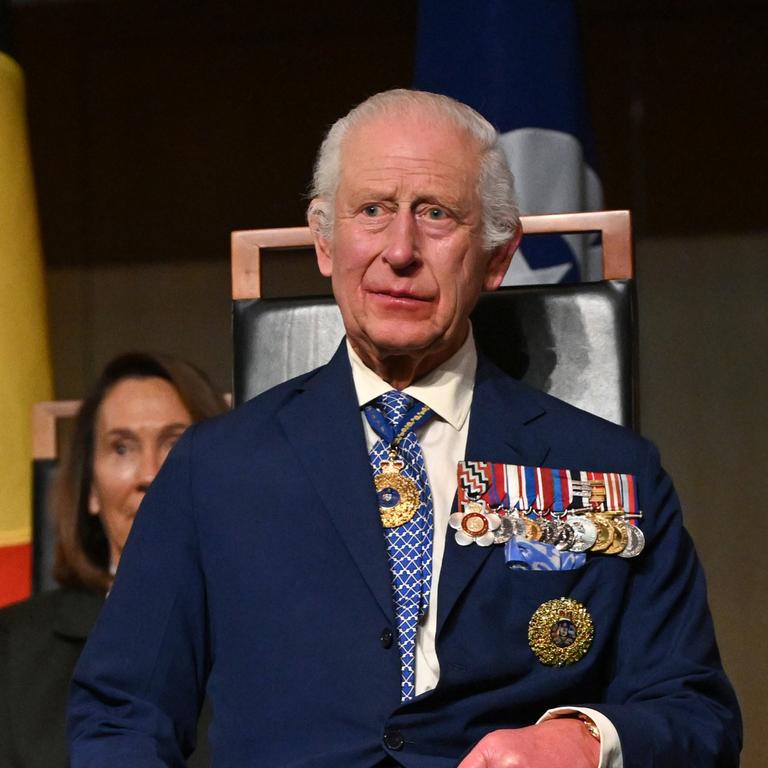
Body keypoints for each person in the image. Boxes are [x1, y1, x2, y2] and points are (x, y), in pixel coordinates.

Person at [67, 90, 741, 767]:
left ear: (497, 256)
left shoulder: (612, 472)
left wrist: (587, 739)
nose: (400, 250)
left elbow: (696, 714)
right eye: (373, 211)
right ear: (325, 241)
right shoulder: (212, 470)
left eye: (436, 214)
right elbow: (123, 713)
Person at [0, 352, 227, 768]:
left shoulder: (266, 632)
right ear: (89, 488)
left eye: (174, 443)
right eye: (121, 448)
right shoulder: (11, 649)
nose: (150, 474)